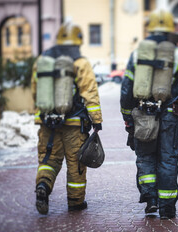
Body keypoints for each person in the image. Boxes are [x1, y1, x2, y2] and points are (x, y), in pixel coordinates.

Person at [120, 9, 178, 219]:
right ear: (171, 30)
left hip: (143, 114)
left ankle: (151, 199)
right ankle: (168, 208)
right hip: (171, 115)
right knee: (168, 160)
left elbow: (126, 89)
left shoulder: (138, 53)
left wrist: (128, 117)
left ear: (150, 28)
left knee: (145, 157)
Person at [31, 22, 103, 215]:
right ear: (78, 40)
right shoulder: (80, 62)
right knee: (76, 164)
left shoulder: (41, 61)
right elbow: (90, 93)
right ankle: (75, 202)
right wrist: (96, 120)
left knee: (48, 159)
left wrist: (42, 115)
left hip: (47, 123)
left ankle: (43, 188)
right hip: (74, 124)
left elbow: (35, 90)